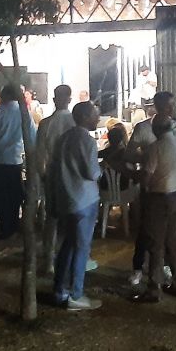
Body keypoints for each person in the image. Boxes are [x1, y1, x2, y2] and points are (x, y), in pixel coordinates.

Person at [50, 101, 103, 311]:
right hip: (85, 199)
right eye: (95, 115)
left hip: (66, 199)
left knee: (67, 246)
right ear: (84, 117)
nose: (97, 118)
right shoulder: (87, 141)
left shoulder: (63, 138)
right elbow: (92, 172)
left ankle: (59, 290)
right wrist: (101, 169)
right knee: (81, 248)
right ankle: (75, 294)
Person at [126, 91, 176, 286]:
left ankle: (163, 266)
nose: (171, 109)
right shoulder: (143, 128)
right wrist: (148, 158)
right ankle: (138, 267)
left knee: (168, 232)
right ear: (158, 107)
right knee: (145, 229)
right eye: (168, 106)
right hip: (149, 186)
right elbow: (128, 154)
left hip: (171, 187)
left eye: (172, 105)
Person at [139, 114, 176, 301]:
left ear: (156, 129)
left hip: (160, 198)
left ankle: (154, 289)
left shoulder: (155, 148)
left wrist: (142, 184)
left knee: (156, 244)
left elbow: (146, 176)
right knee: (172, 241)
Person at [0, 84, 36, 239]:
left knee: (0, 196)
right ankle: (14, 225)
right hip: (15, 160)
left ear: (4, 95)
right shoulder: (24, 113)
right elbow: (32, 137)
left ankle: (5, 228)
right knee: (15, 195)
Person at [38, 85, 77, 270]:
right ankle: (71, 258)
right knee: (72, 218)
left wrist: (43, 174)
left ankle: (49, 259)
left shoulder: (45, 124)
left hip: (52, 174)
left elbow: (40, 154)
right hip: (73, 176)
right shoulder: (75, 122)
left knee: (52, 218)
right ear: (69, 99)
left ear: (54, 99)